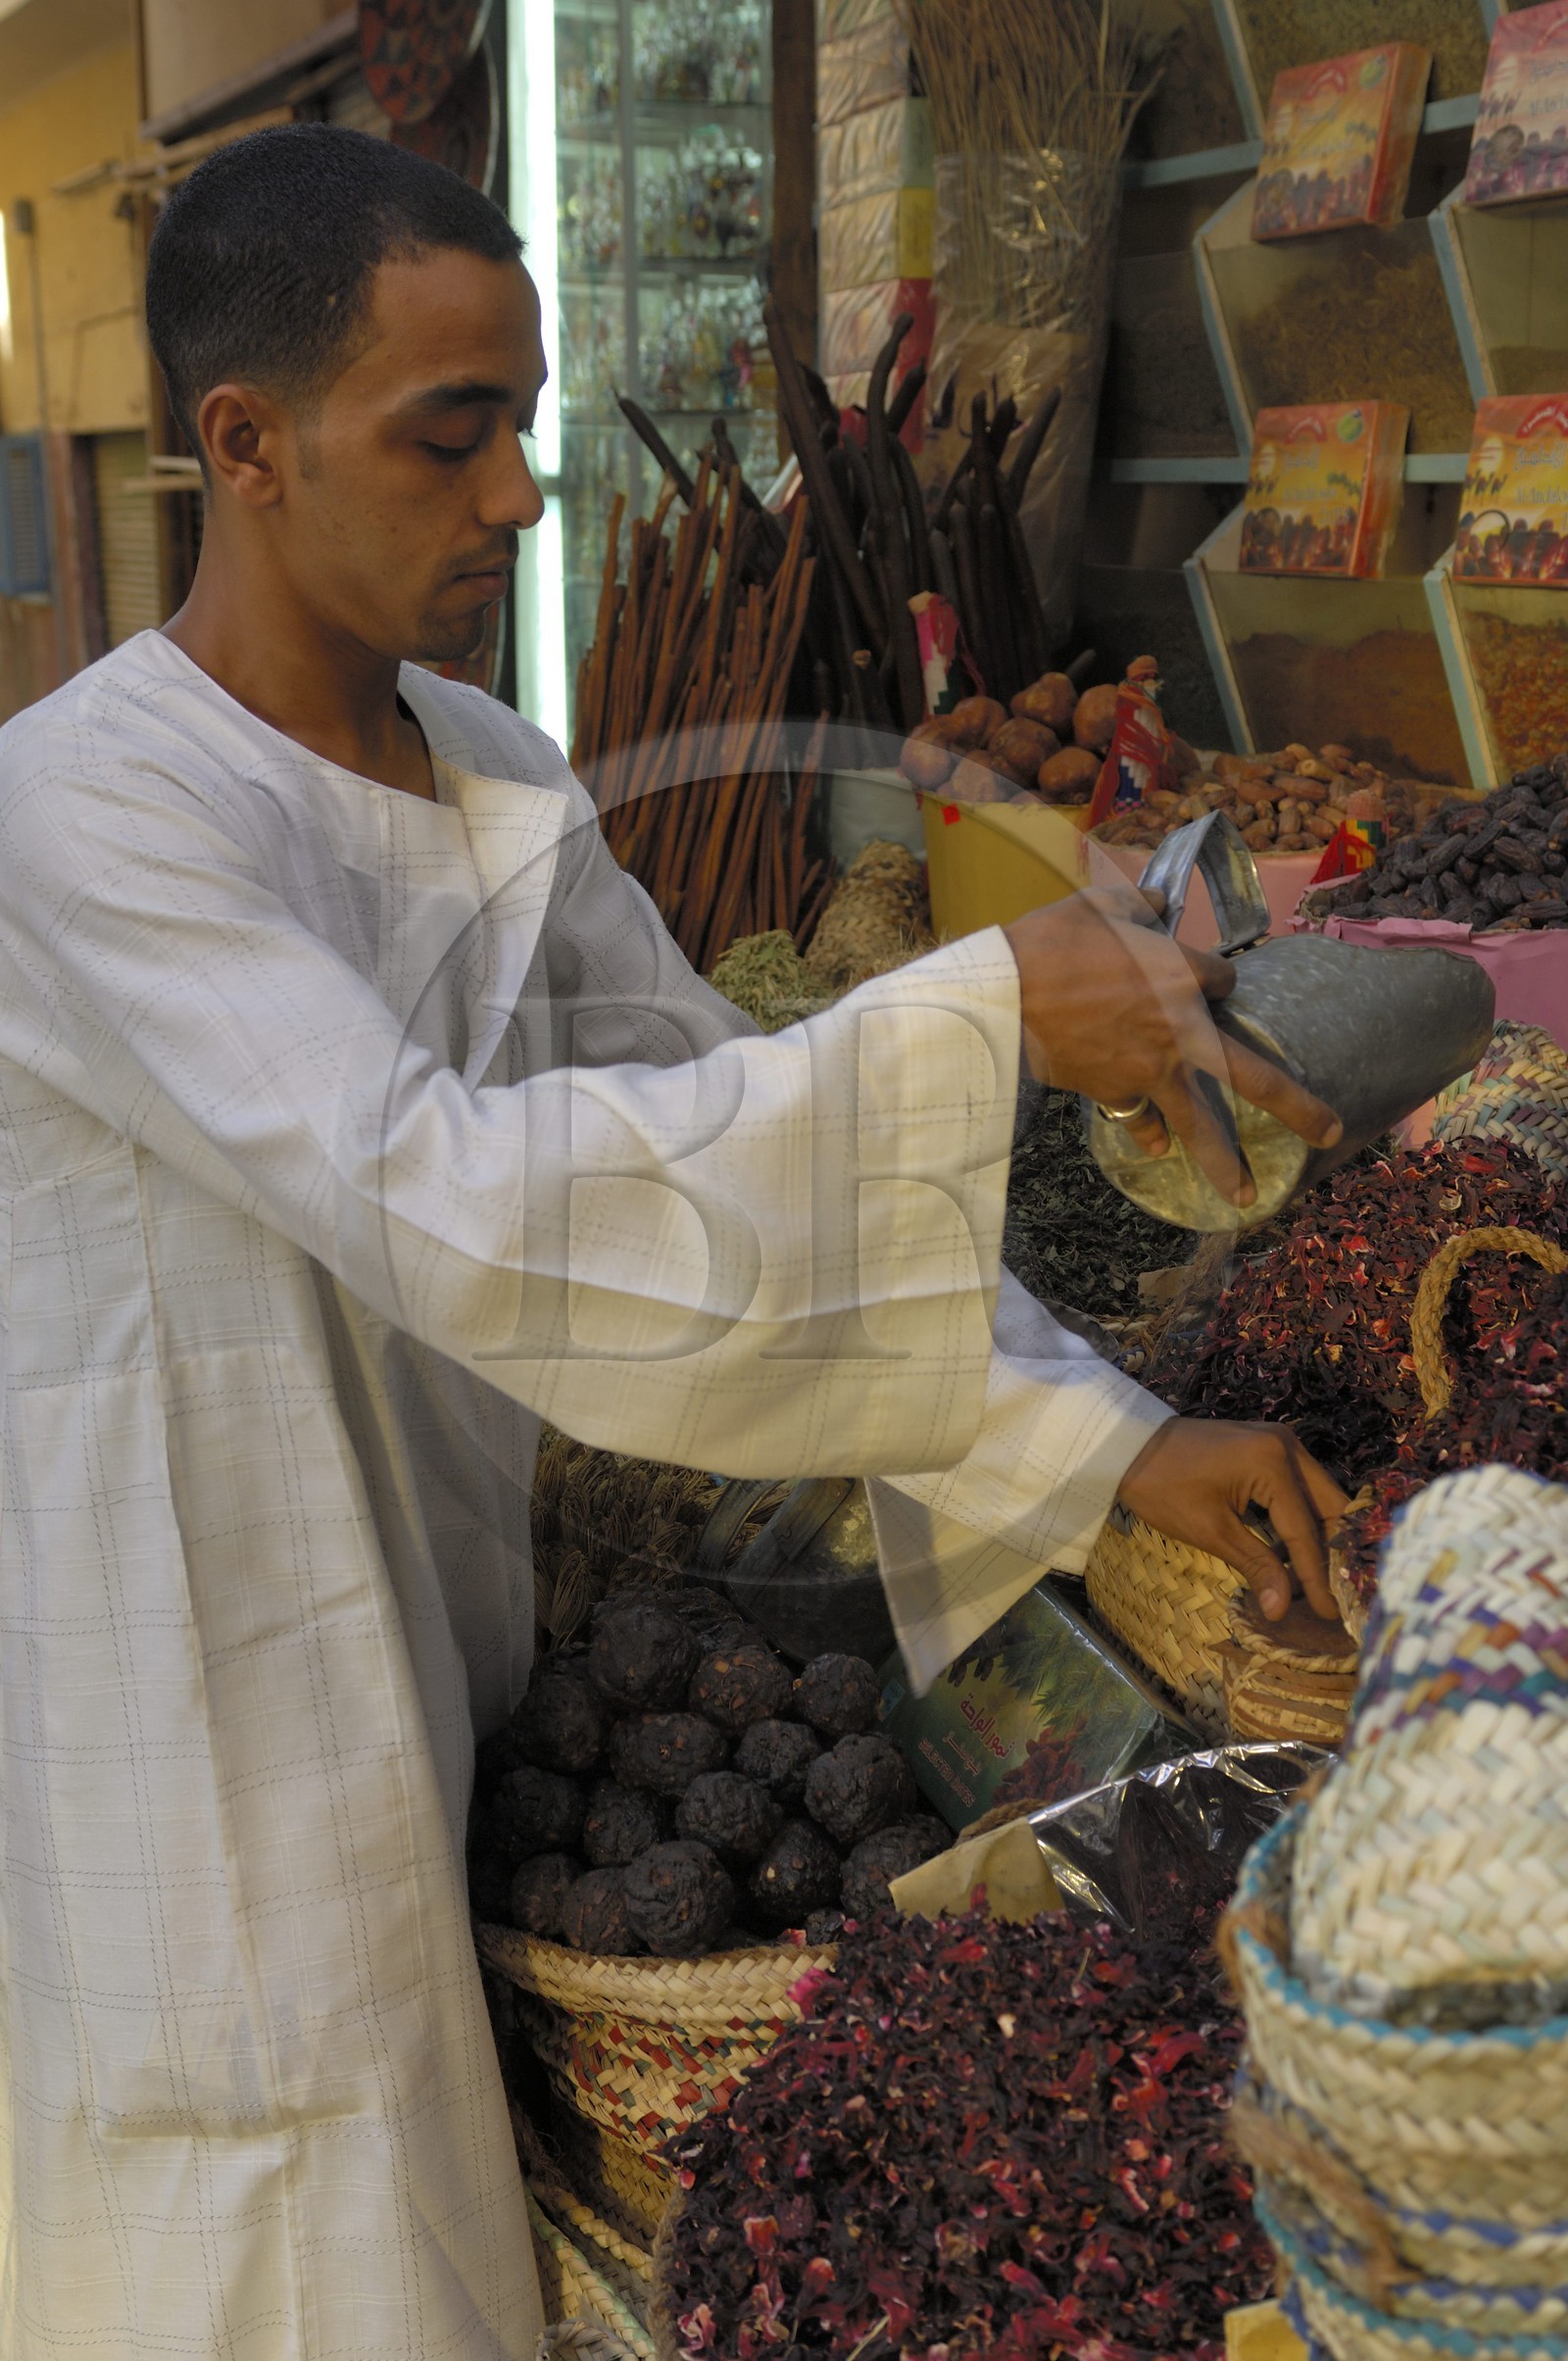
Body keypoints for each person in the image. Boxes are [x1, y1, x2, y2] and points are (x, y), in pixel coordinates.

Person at [0, 124, 1348, 2360]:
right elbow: (459, 1199)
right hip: (182, 1675)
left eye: (523, 421)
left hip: (428, 1633)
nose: (518, 495)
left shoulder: (497, 784)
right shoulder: (88, 815)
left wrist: (1105, 1443)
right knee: (239, 2239)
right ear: (242, 443)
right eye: (451, 433)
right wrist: (994, 1000)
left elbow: (725, 1147)